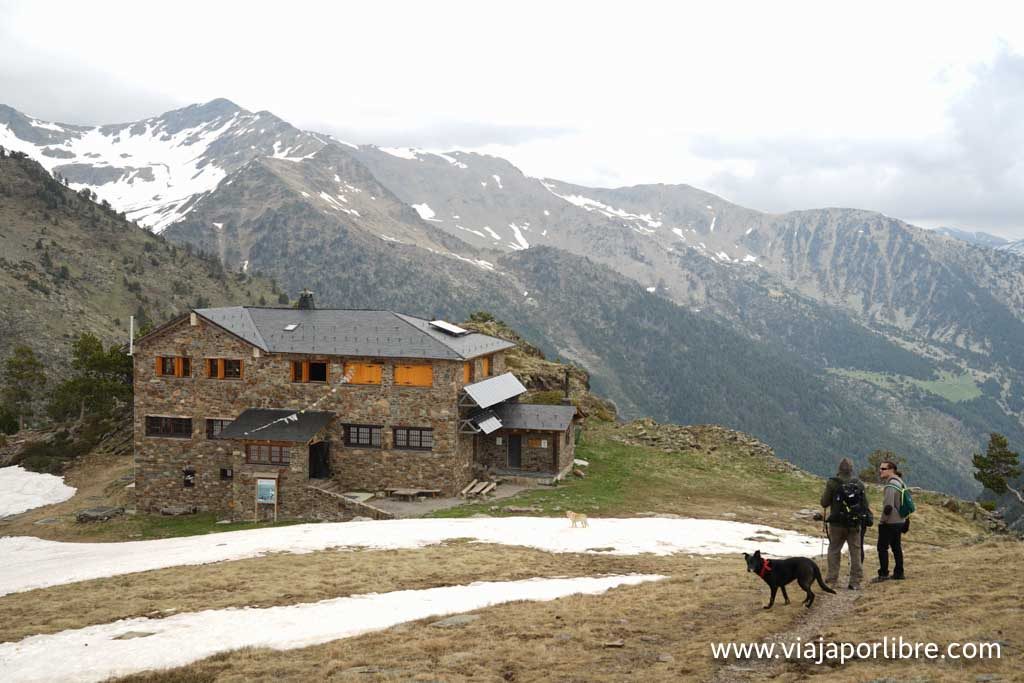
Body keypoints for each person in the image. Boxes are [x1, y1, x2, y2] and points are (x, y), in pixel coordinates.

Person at [820, 457, 871, 590]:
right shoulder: (858, 483)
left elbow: (824, 502)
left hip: (836, 523)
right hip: (854, 523)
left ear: (839, 469)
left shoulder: (832, 483)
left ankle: (832, 579)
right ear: (851, 469)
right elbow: (865, 504)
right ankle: (855, 581)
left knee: (834, 549)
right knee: (855, 551)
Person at [872, 460, 907, 582]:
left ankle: (883, 574)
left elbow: (888, 507)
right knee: (896, 547)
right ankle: (899, 572)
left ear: (891, 470)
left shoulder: (891, 485)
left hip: (890, 522)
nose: (880, 471)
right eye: (880, 468)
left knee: (882, 547)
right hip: (900, 521)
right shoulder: (900, 482)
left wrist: (883, 521)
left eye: (883, 469)